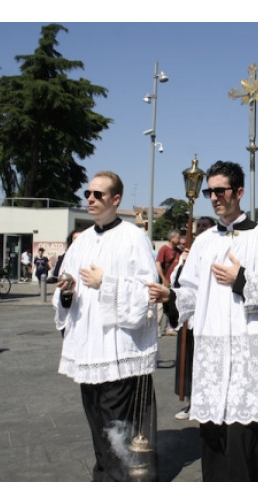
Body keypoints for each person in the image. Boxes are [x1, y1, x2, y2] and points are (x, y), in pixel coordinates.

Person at [150, 160, 258, 481]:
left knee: (249, 443)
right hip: (214, 359)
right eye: (209, 191)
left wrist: (241, 279)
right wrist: (171, 297)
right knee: (216, 442)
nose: (214, 197)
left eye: (220, 190)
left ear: (239, 192)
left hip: (251, 361)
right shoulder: (204, 242)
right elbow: (189, 292)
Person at [53, 171, 159, 481]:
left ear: (116, 200)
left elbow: (147, 292)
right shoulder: (82, 241)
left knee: (118, 426)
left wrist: (106, 283)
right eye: (88, 193)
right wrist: (67, 292)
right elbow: (67, 289)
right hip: (88, 350)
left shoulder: (134, 237)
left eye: (98, 194)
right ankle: (104, 475)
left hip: (117, 350)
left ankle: (120, 481)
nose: (90, 198)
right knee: (97, 422)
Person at [172, 216, 216, 421]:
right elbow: (177, 281)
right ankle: (191, 401)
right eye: (198, 226)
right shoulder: (188, 253)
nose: (200, 229)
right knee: (188, 360)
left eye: (205, 226)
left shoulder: (213, 248)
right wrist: (184, 263)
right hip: (188, 316)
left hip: (206, 316)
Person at [155, 229, 182, 336]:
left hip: (174, 283)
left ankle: (169, 328)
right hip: (165, 282)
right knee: (160, 306)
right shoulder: (164, 249)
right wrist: (163, 279)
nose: (179, 239)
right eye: (178, 237)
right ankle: (157, 329)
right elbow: (158, 264)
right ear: (172, 238)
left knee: (171, 306)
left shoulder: (178, 251)